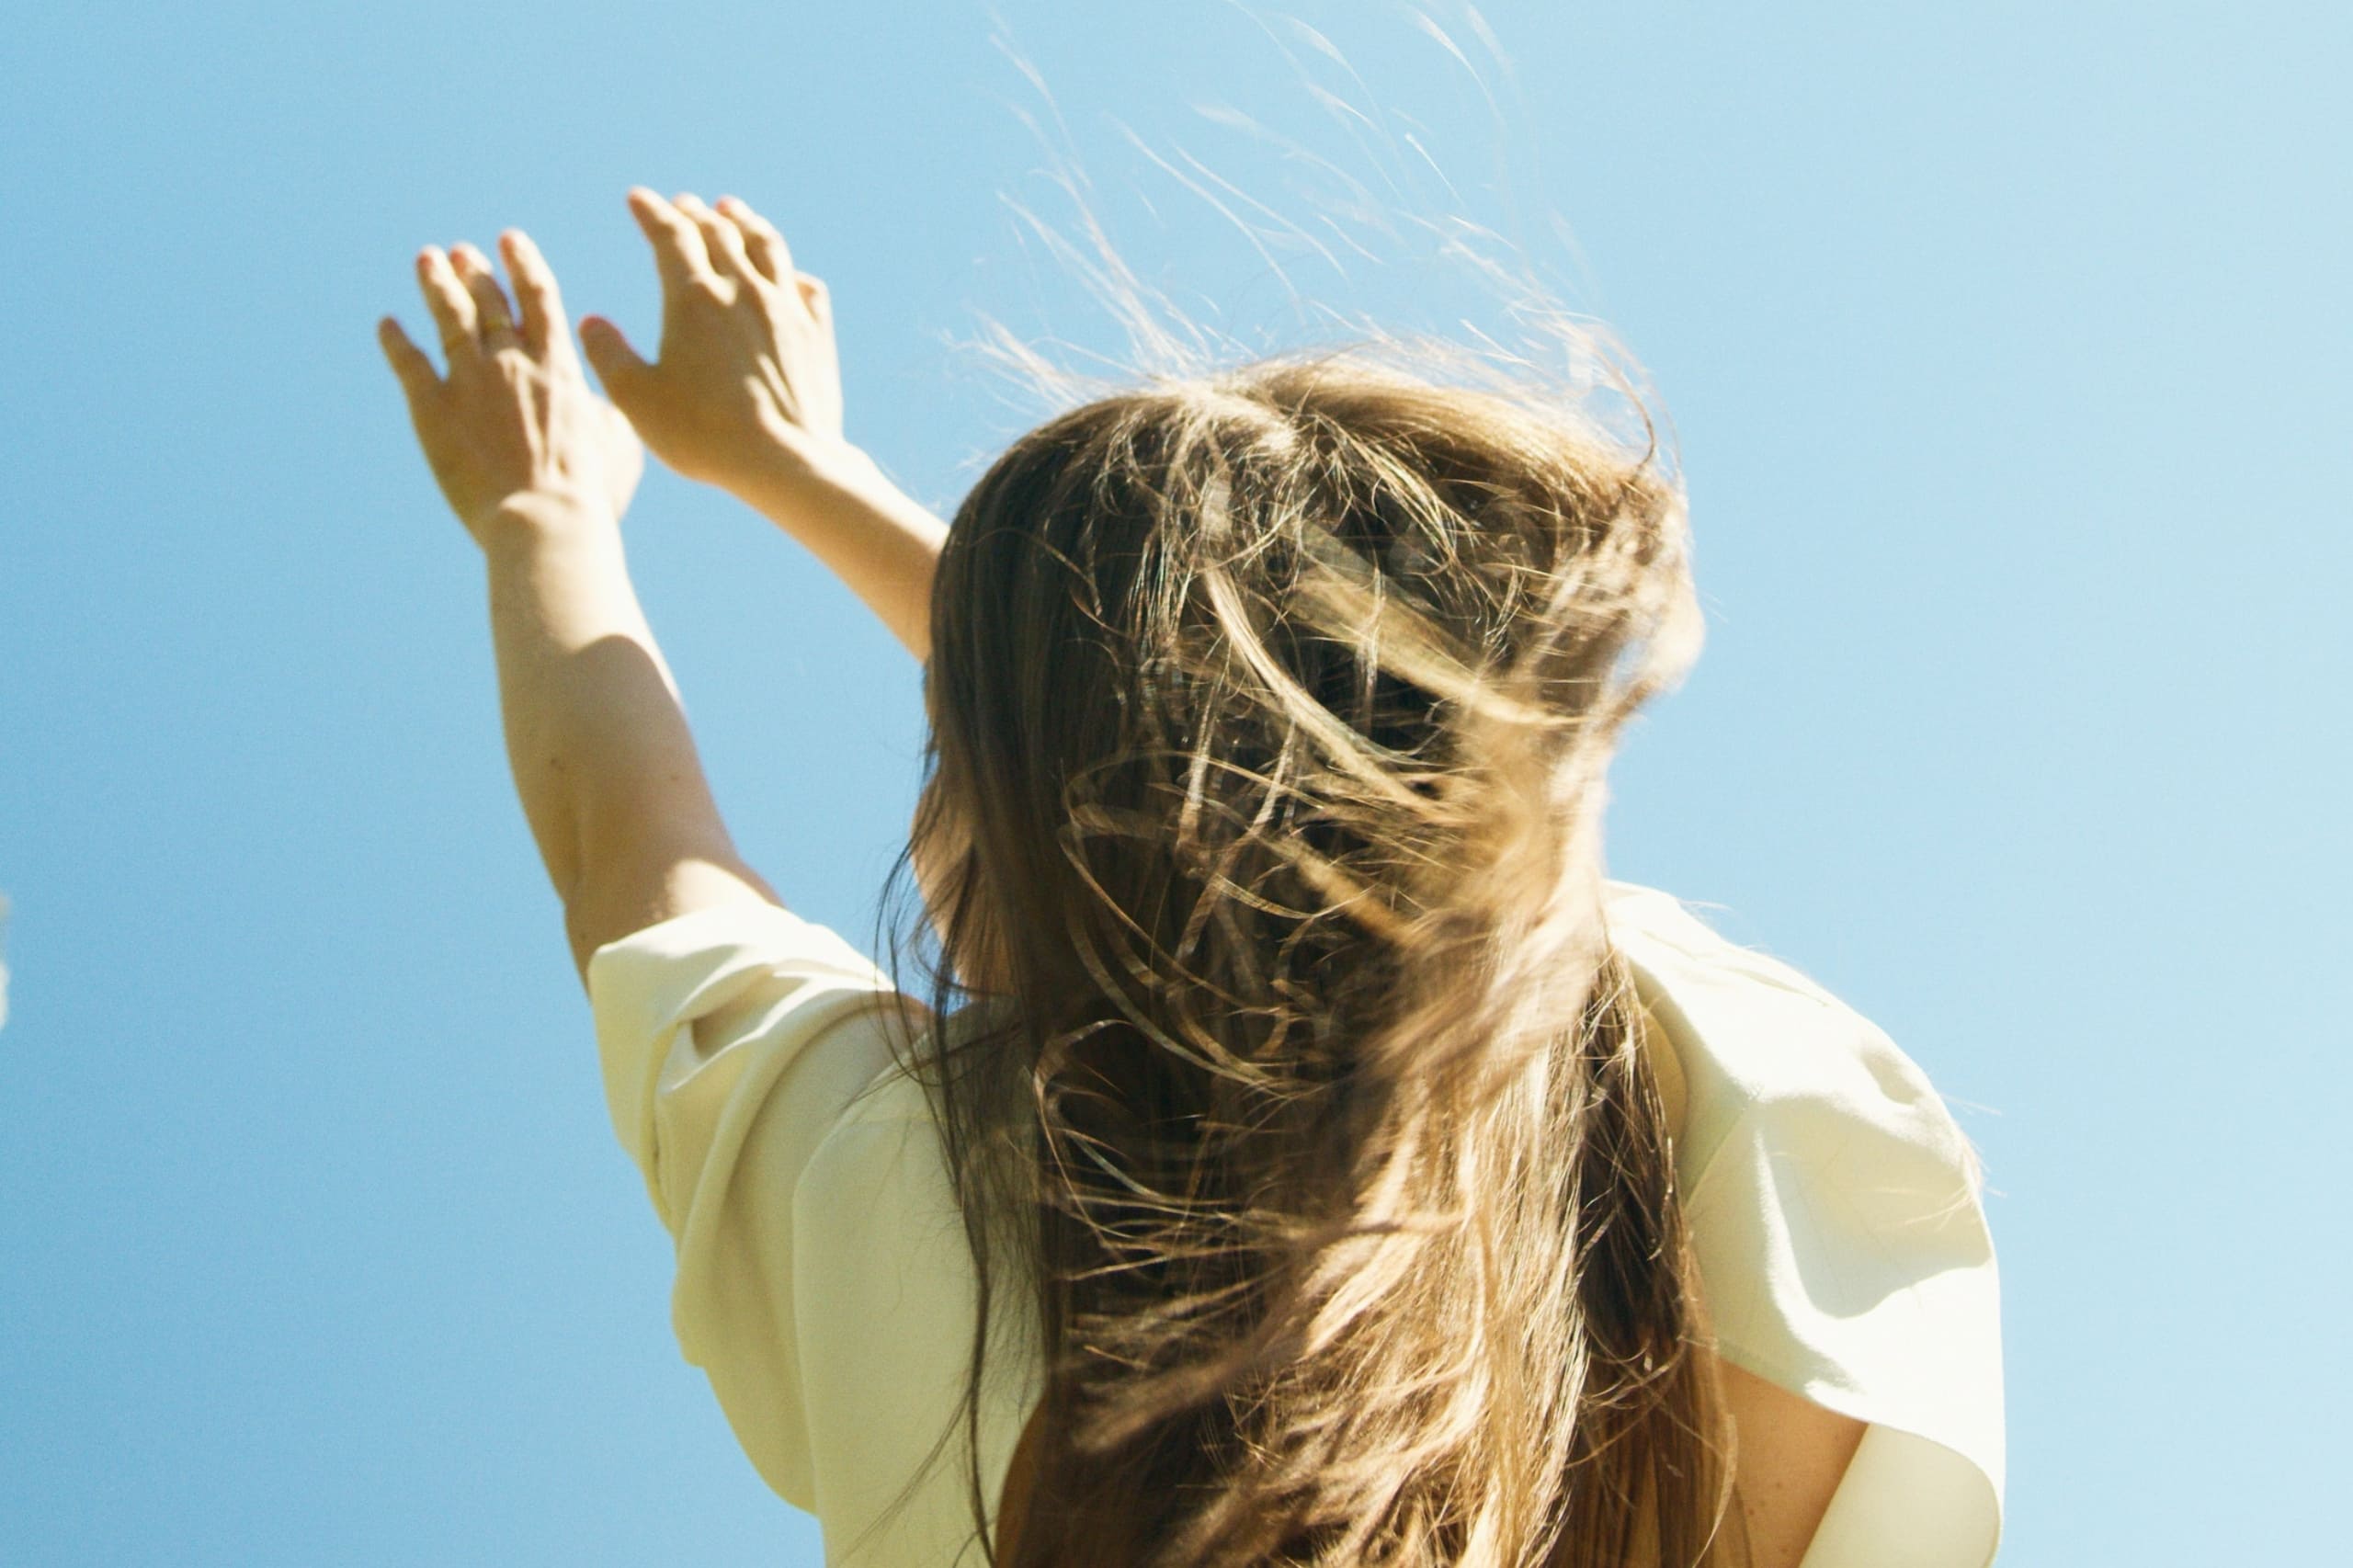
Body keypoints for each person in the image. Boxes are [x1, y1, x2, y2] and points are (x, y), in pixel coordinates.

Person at [379, 187, 2003, 1568]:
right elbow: (1253, 753)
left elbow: (630, 854)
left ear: (1023, 840)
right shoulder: (1737, 1073)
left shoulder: (892, 1183)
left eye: (956, 761)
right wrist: (804, 464)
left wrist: (544, 509)